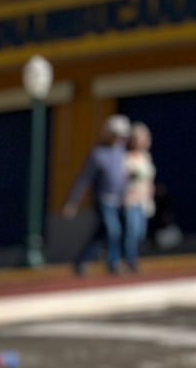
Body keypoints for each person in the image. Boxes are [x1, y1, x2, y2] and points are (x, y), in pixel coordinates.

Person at [64, 114, 130, 274]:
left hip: (120, 200)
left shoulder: (122, 152)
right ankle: (114, 264)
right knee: (114, 231)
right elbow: (84, 178)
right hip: (104, 200)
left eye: (121, 136)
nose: (118, 139)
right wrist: (73, 201)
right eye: (115, 135)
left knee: (102, 234)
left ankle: (81, 261)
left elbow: (125, 175)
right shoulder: (98, 154)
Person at [122, 122, 155, 274]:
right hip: (130, 199)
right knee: (132, 231)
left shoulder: (146, 157)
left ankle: (126, 257)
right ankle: (131, 261)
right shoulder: (126, 158)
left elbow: (149, 178)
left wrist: (150, 191)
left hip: (144, 200)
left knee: (140, 232)